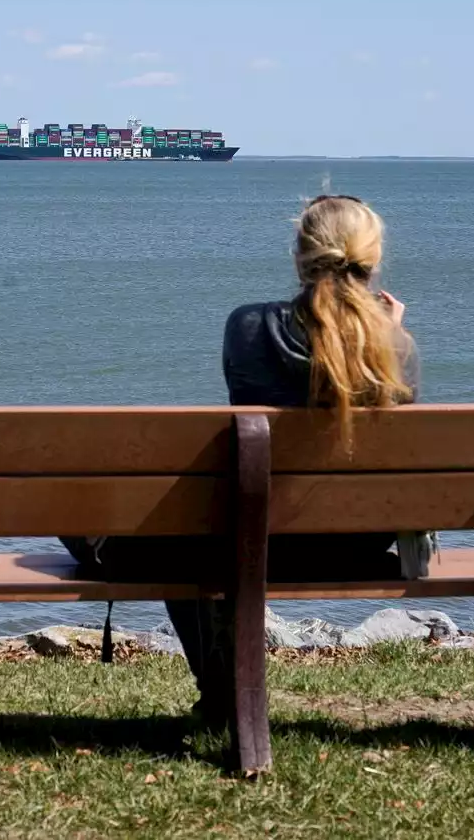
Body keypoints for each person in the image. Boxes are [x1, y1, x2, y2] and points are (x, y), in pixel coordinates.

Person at [63, 194, 418, 724]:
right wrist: (390, 332)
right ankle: (221, 692)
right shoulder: (398, 345)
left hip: (248, 541)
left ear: (300, 256)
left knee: (174, 534)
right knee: (191, 536)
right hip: (360, 545)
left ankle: (220, 691)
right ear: (373, 259)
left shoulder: (248, 326)